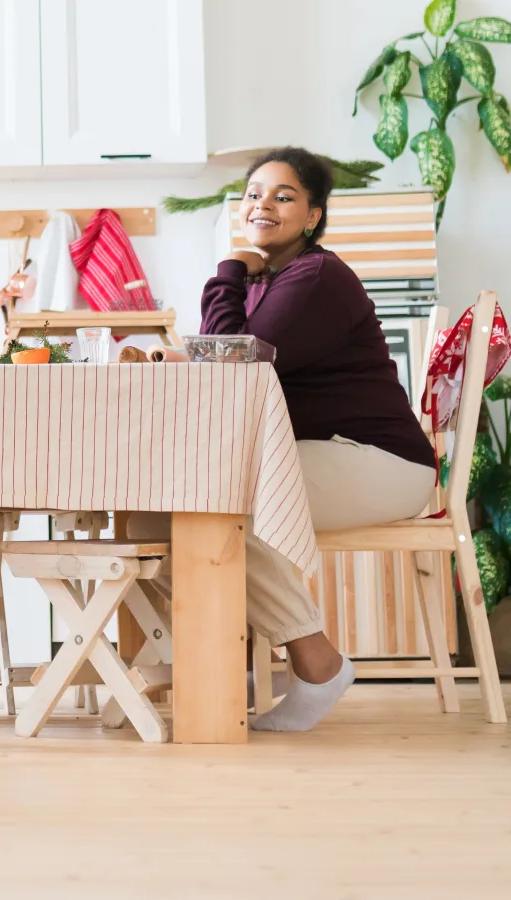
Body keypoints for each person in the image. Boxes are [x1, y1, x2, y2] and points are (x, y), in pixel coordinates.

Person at [130, 147, 438, 732]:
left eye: (283, 195)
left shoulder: (315, 277)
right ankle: (232, 654)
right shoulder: (267, 283)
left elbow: (232, 363)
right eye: (252, 194)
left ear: (313, 216)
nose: (261, 204)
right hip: (327, 454)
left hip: (380, 463)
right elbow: (232, 359)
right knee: (152, 516)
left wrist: (229, 266)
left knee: (217, 501)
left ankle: (316, 660)